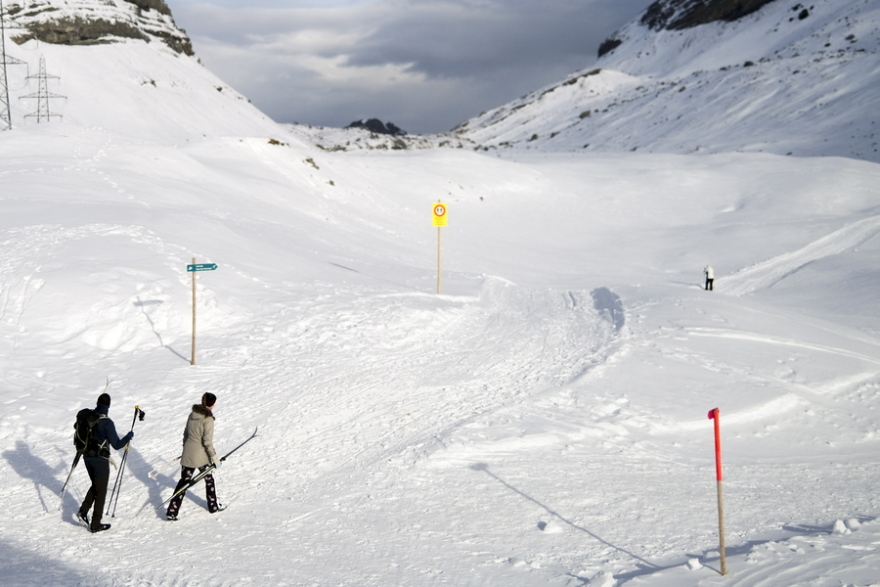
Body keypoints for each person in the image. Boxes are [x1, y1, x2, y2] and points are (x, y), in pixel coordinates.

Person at [77, 393, 133, 533]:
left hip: (86, 457)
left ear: (97, 403)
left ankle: (83, 511)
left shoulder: (88, 417)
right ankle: (96, 524)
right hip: (100, 460)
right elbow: (117, 444)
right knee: (101, 491)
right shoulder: (107, 422)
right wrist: (128, 436)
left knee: (96, 485)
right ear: (108, 406)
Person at [166, 393, 225, 520]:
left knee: (184, 483)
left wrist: (185, 450)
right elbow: (207, 442)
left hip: (188, 455)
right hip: (200, 458)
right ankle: (213, 506)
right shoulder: (208, 419)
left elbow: (185, 435)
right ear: (212, 404)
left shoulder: (192, 415)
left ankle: (172, 510)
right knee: (209, 479)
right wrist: (215, 459)